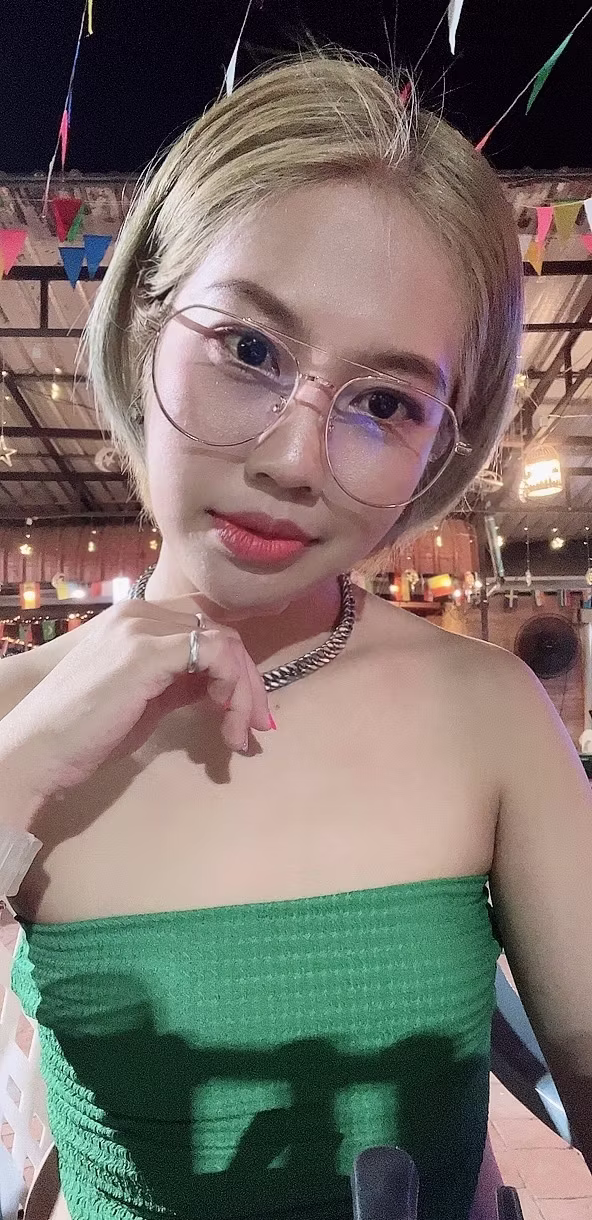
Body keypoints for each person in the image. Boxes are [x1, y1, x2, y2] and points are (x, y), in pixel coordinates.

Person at [0, 48, 591, 1220]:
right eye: (249, 349)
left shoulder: (485, 713)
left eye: (383, 402)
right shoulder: (18, 713)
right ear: (145, 322)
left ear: (443, 440)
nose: (291, 458)